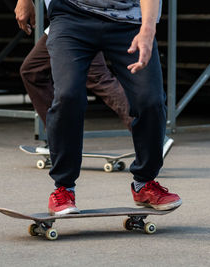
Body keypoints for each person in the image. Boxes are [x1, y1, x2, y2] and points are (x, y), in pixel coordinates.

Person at [15, 0, 182, 215]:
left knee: (150, 101)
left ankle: (145, 183)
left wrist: (148, 31)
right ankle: (64, 188)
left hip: (127, 20)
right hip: (71, 17)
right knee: (68, 96)